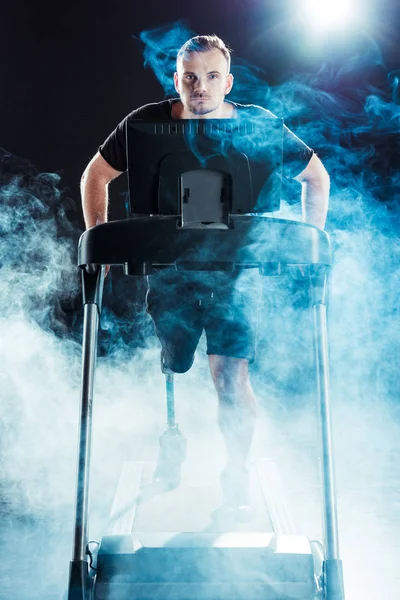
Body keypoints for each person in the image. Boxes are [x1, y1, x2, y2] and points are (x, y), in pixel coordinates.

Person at [80, 34, 330, 511]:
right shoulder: (143, 124)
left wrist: (307, 241)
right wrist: (101, 239)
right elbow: (96, 175)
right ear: (176, 80)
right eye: (190, 78)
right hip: (171, 269)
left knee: (229, 377)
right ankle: (172, 432)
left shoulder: (258, 126)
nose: (200, 87)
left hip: (236, 272)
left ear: (228, 82)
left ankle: (235, 469)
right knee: (177, 361)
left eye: (212, 77)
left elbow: (316, 176)